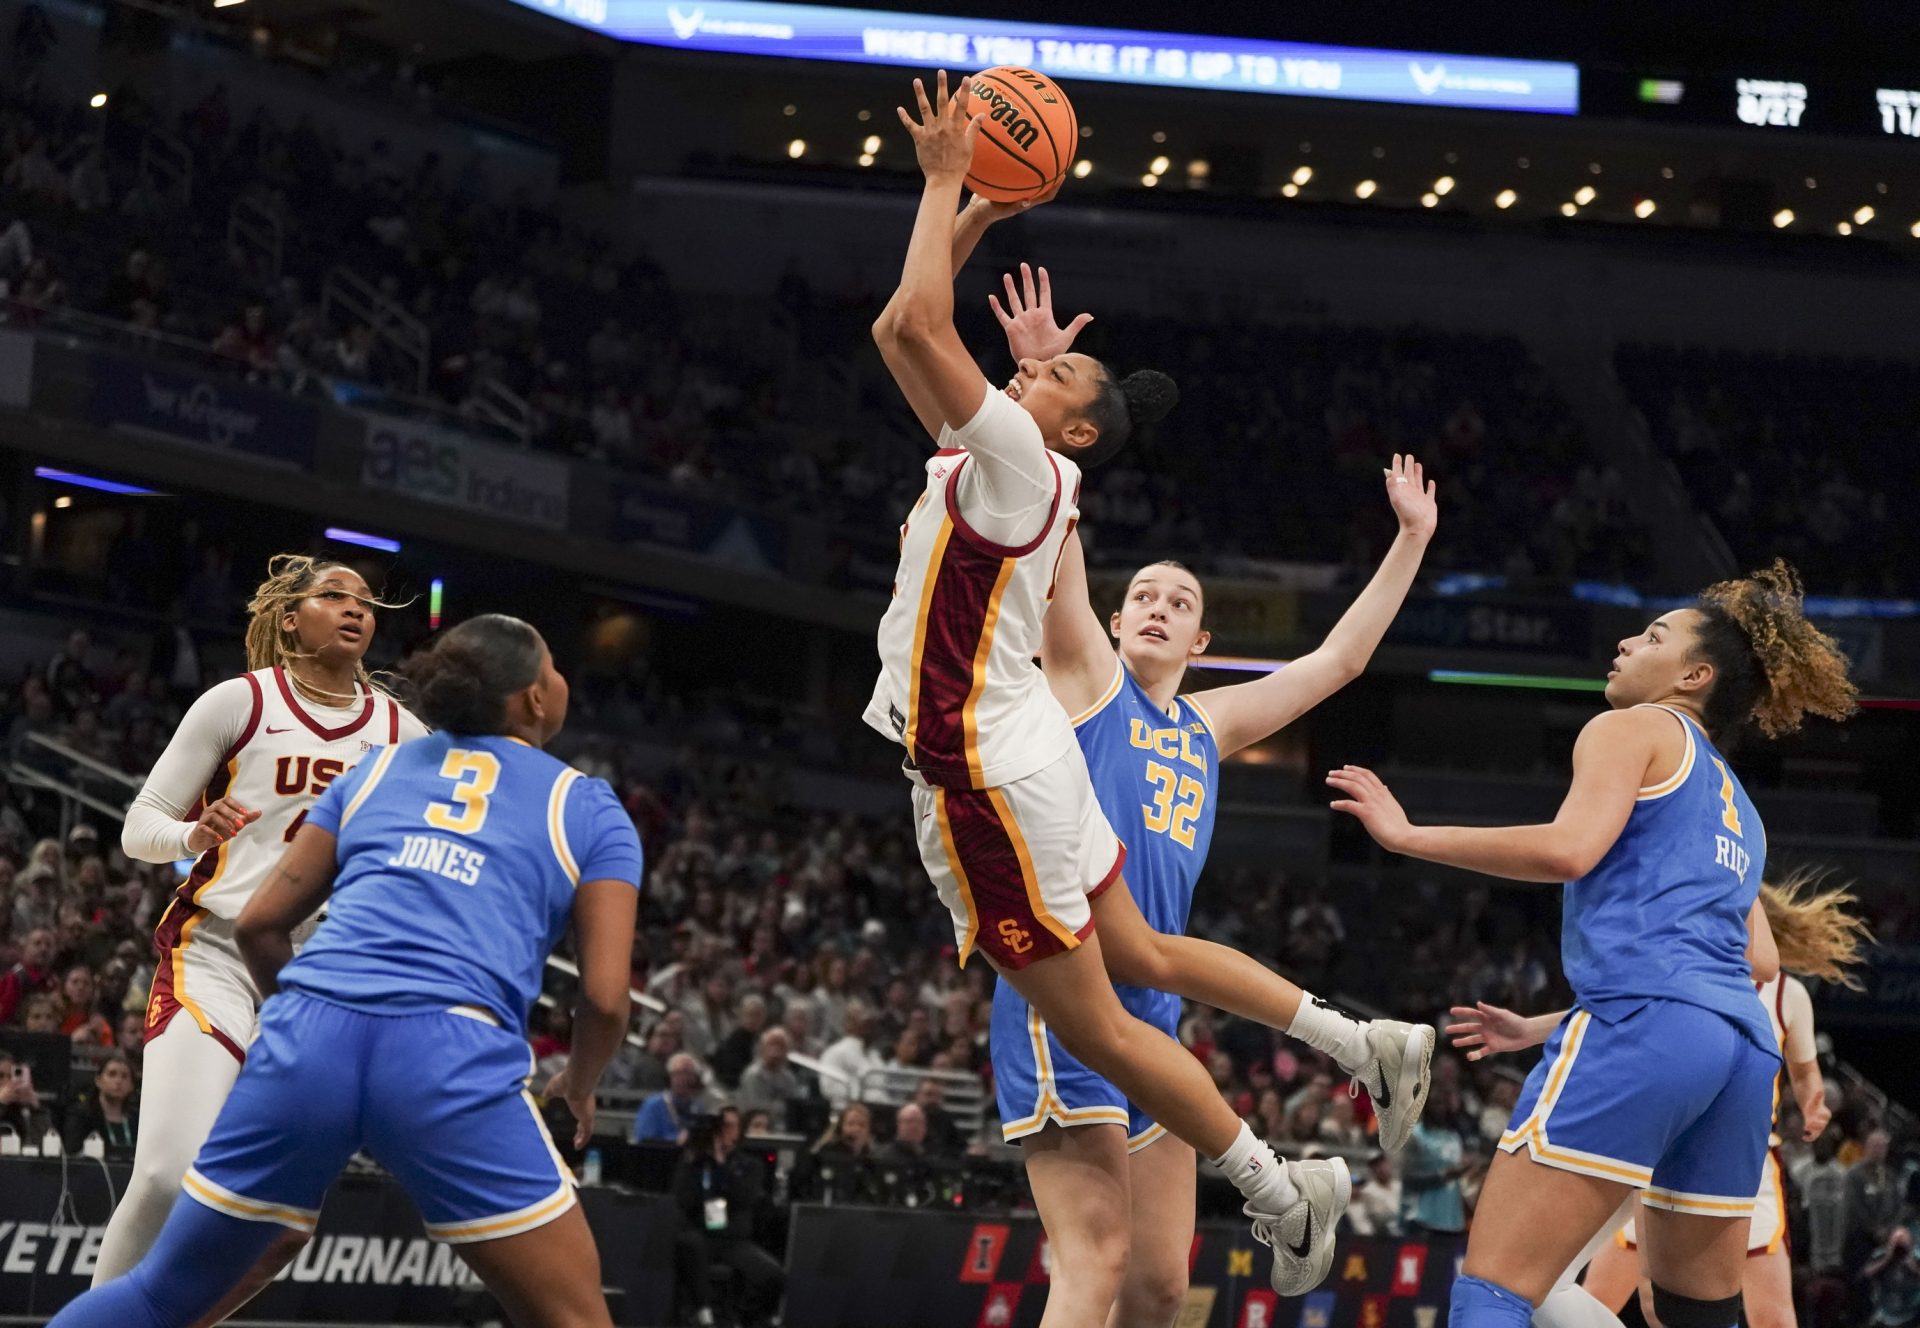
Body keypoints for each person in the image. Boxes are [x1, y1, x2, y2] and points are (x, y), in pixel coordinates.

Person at [868, 71, 1348, 1297]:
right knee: (1138, 962)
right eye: (1032, 375)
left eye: (1054, 381)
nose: (1029, 373)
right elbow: (899, 332)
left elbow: (923, 330)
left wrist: (941, 185)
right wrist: (975, 217)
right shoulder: (1014, 447)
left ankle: (1283, 1193)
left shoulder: (1022, 458)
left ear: (1071, 431)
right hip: (1030, 747)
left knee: (1105, 1028)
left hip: (982, 763)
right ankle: (1306, 1131)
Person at [990, 255, 1442, 1322]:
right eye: (1139, 593)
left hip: (1156, 1007)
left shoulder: (1207, 723)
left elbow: (1336, 663)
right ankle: (1330, 1085)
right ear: (1111, 618)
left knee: (1156, 1285)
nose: (1152, 603)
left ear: (1203, 638)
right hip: (1073, 984)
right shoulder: (1086, 678)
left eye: (1176, 599)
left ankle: (1297, 1180)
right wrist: (1046, 396)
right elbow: (1060, 531)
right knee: (1090, 1263)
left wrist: (1411, 540)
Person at [47, 614, 643, 1328]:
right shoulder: (585, 802)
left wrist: (311, 1029)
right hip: (446, 1047)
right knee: (573, 1316)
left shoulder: (380, 767)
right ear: (537, 697)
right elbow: (605, 1000)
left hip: (311, 1026)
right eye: (553, 664)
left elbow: (263, 926)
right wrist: (578, 1086)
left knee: (168, 1293)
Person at [1328, 559, 1857, 1328]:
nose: (1625, 643)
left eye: (1652, 636)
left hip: (1646, 1024)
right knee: (1693, 1314)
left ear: (1693, 675)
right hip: (1742, 1054)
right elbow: (1762, 963)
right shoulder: (1740, 803)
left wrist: (1409, 836)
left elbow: (1570, 849)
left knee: (1496, 1288)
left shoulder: (1631, 727)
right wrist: (1550, 1026)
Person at [96, 555, 427, 1297]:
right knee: (162, 1176)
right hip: (214, 954)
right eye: (334, 595)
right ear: (289, 618)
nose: (356, 610)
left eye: (367, 602)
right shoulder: (237, 703)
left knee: (270, 1222)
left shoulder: (404, 731)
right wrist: (192, 837)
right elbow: (137, 827)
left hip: (320, 981)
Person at [1572, 869, 1872, 1328]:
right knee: (1597, 1300)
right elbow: (1602, 1020)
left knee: (1773, 1317)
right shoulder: (1679, 973)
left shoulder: (1787, 996)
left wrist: (1814, 1105)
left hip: (1744, 1165)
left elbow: (1806, 1074)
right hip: (1661, 1156)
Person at [673, 1105, 784, 1328]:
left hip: (732, 1240)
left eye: (730, 1125)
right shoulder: (693, 1162)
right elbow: (684, 1199)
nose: (724, 1131)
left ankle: (747, 1317)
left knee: (774, 1276)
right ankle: (703, 1314)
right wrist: (695, 1156)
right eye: (721, 1125)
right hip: (699, 1234)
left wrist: (721, 1163)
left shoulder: (750, 1165)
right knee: (690, 1246)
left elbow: (743, 1197)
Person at [64, 1052, 139, 1157]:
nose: (118, 1081)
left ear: (131, 1086)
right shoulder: (81, 1115)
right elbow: (72, 1153)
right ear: (98, 1080)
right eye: (112, 1074)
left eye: (125, 1076)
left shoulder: (138, 1119)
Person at [632, 1052, 710, 1144]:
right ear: (669, 1077)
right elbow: (643, 1140)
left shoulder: (698, 1107)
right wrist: (676, 1140)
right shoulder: (653, 1105)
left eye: (688, 1073)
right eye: (678, 1073)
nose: (683, 1078)